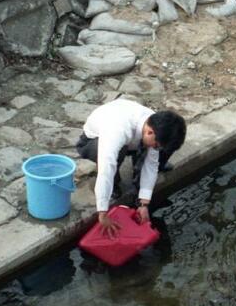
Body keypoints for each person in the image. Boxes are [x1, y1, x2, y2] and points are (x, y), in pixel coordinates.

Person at [76, 99, 186, 237]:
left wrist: (144, 204)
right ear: (150, 132)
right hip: (93, 141)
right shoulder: (117, 130)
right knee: (116, 156)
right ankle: (113, 184)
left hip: (133, 141)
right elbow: (106, 168)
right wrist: (103, 213)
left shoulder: (156, 125)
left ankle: (146, 159)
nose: (156, 148)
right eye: (156, 144)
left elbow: (151, 165)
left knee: (162, 150)